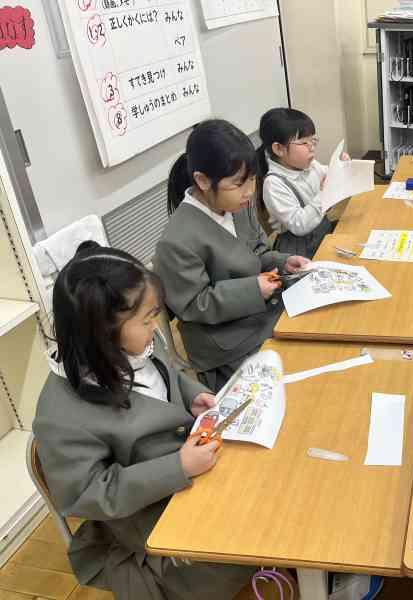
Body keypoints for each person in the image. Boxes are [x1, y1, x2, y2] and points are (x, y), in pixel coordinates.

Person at [33, 241, 253, 599]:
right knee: (254, 539)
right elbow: (85, 494)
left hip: (194, 472)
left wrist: (190, 394)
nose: (156, 327)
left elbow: (166, 374)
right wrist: (177, 467)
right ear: (102, 334)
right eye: (148, 319)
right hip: (152, 519)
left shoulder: (137, 344)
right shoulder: (61, 415)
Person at [154, 119, 308, 392]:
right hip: (226, 345)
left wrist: (284, 261)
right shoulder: (175, 241)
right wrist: (253, 290)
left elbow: (257, 252)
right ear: (202, 181)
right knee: (295, 387)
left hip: (262, 315)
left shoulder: (237, 204)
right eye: (239, 183)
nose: (250, 191)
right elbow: (195, 304)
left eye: (252, 179)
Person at [258, 107, 348, 258]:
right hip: (298, 250)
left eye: (313, 140)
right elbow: (299, 225)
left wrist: (341, 168)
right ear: (279, 149)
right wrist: (324, 193)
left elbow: (328, 174)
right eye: (304, 143)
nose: (312, 148)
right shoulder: (274, 184)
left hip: (321, 233)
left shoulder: (309, 165)